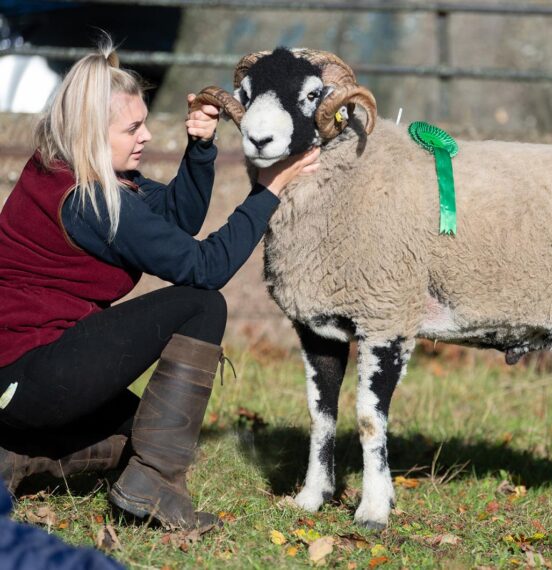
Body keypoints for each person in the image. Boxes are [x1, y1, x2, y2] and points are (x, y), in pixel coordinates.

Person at [0, 38, 320, 530]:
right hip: (32, 374)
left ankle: (16, 455)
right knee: (201, 304)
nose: (147, 136)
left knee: (146, 430)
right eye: (132, 128)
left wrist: (200, 149)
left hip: (23, 378)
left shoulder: (65, 169)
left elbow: (174, 218)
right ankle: (153, 487)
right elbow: (206, 267)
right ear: (90, 132)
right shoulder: (88, 201)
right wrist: (268, 190)